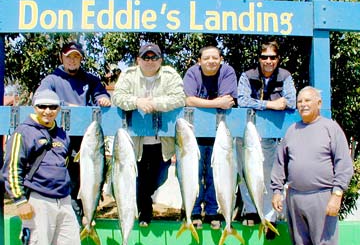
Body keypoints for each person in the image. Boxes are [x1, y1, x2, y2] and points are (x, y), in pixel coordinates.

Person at [271, 86, 353, 245]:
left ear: (319, 103)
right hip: (295, 197)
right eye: (300, 101)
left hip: (323, 197)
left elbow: (344, 163)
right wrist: (276, 190)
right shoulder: (292, 130)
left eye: (308, 100)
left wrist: (337, 194)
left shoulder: (330, 128)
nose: (303, 104)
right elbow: (280, 162)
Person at [2, 89, 83, 245]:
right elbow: (11, 169)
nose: (47, 111)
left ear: (59, 109)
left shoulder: (62, 134)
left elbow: (67, 165)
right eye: (42, 106)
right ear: (34, 107)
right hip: (38, 202)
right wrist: (21, 201)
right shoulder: (23, 132)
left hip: (63, 201)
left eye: (53, 107)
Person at [36, 41, 111, 224]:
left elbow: (101, 95)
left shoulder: (90, 79)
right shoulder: (52, 79)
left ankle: (85, 215)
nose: (72, 60)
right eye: (69, 56)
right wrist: (65, 105)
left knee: (86, 179)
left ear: (81, 59)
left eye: (76, 56)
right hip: (59, 140)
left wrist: (103, 99)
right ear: (62, 57)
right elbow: (39, 98)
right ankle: (70, 219)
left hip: (86, 141)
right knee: (63, 180)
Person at [112, 43, 185, 227]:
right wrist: (137, 101)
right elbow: (118, 97)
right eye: (146, 57)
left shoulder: (170, 75)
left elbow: (179, 97)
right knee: (138, 179)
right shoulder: (128, 75)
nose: (150, 61)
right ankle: (144, 211)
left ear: (160, 60)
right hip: (135, 141)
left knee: (159, 177)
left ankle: (146, 202)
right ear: (138, 60)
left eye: (154, 58)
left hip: (162, 142)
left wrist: (156, 103)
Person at [237, 40, 296, 239]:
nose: (268, 61)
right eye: (264, 57)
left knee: (270, 175)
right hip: (248, 135)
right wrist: (269, 105)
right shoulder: (247, 76)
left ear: (278, 59)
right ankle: (251, 211)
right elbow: (242, 100)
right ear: (259, 59)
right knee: (246, 174)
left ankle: (270, 217)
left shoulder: (286, 76)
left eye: (272, 57)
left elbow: (291, 101)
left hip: (271, 137)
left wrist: (275, 104)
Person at [183, 46, 237, 230]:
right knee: (194, 172)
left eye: (215, 57)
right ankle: (194, 211)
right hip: (194, 134)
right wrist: (216, 103)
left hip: (220, 133)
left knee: (216, 173)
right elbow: (188, 100)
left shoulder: (227, 71)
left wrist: (203, 103)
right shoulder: (192, 73)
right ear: (199, 61)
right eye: (207, 58)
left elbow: (228, 101)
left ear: (221, 59)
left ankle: (213, 211)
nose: (211, 61)